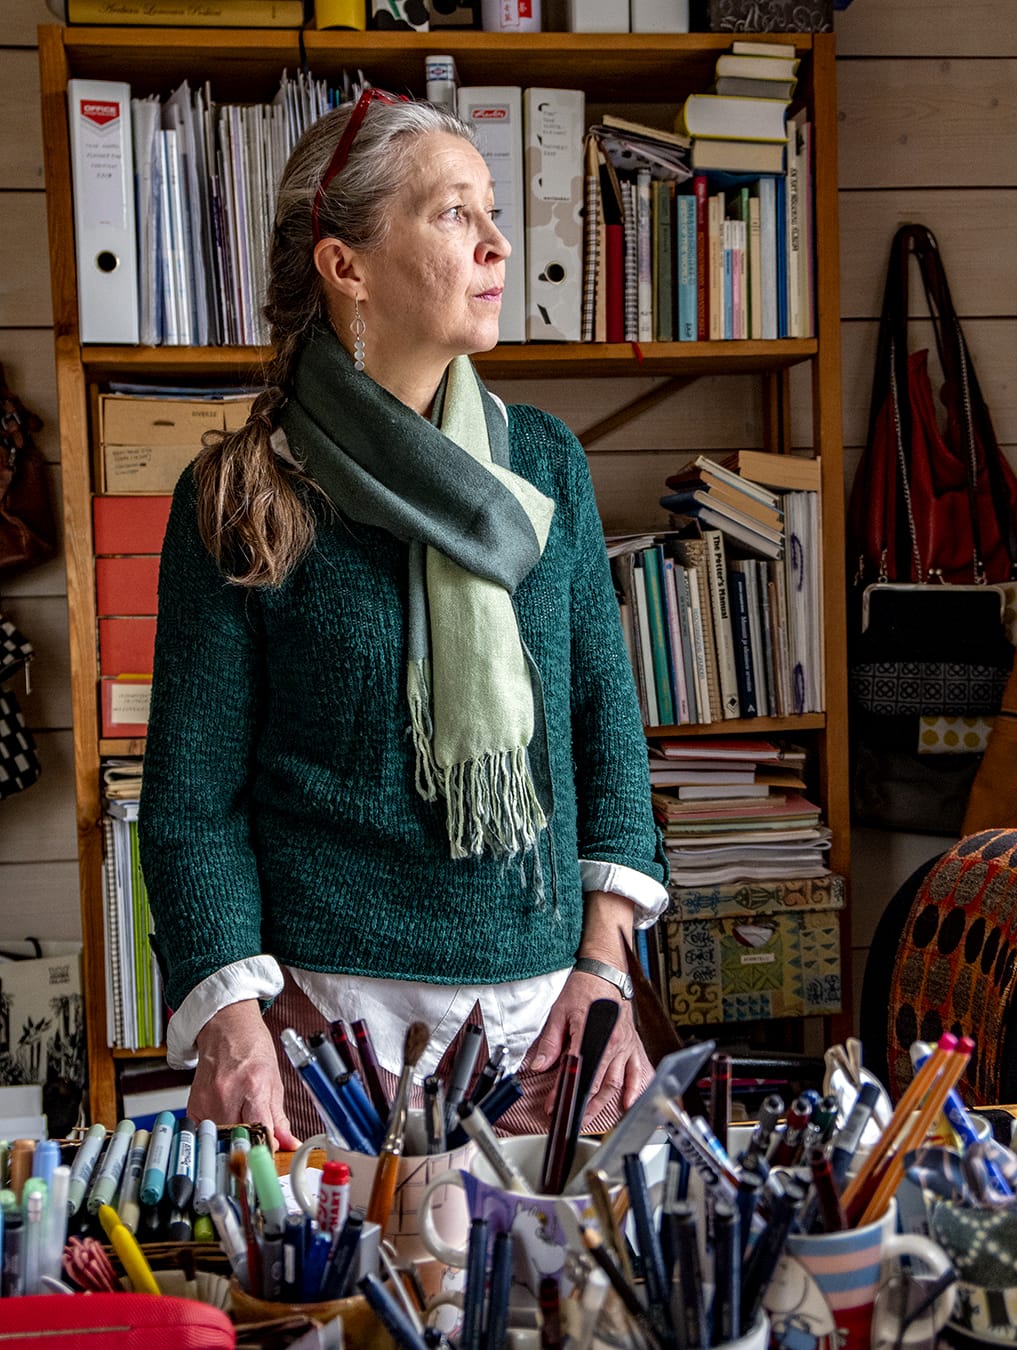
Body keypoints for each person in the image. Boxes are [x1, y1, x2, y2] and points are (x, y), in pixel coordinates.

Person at [139, 93, 667, 1151]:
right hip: (329, 1043)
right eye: (454, 213)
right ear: (347, 267)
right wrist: (235, 1023)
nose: (497, 243)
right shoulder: (243, 495)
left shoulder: (544, 464)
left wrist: (605, 965)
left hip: (546, 1032)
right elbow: (192, 801)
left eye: (492, 212)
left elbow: (604, 727)